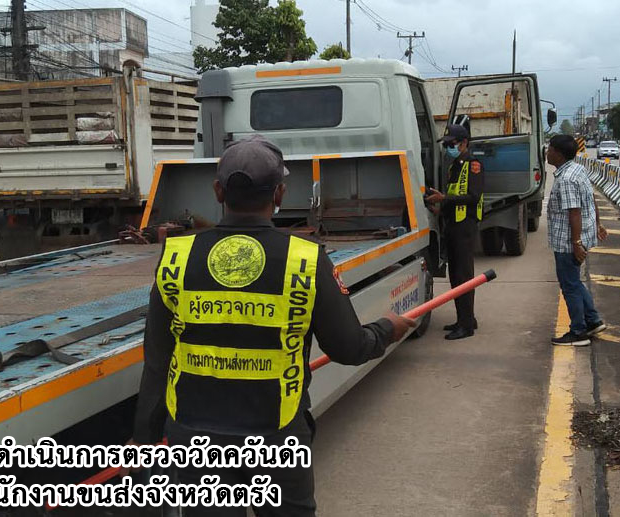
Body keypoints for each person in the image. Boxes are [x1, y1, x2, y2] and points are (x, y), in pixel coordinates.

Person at [127, 135, 416, 516]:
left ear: (218, 191)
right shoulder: (305, 260)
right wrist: (387, 329)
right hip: (278, 438)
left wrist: (144, 447)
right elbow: (348, 348)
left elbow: (157, 361)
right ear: (279, 194)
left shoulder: (177, 257)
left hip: (195, 445)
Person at [546, 134, 608, 346]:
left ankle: (578, 332)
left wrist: (575, 243)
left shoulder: (566, 179)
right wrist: (598, 224)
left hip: (568, 241)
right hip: (578, 237)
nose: (547, 152)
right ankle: (592, 320)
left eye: (550, 149)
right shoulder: (577, 169)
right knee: (574, 282)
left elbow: (575, 211)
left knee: (569, 285)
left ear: (559, 154)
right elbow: (590, 199)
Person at [425, 123, 484, 340]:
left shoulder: (473, 165)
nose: (448, 147)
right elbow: (453, 195)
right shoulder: (454, 166)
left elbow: (473, 197)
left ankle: (466, 326)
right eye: (447, 144)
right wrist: (439, 207)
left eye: (452, 144)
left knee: (463, 275)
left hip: (465, 227)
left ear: (464, 143)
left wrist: (444, 198)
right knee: (455, 276)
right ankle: (465, 318)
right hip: (452, 226)